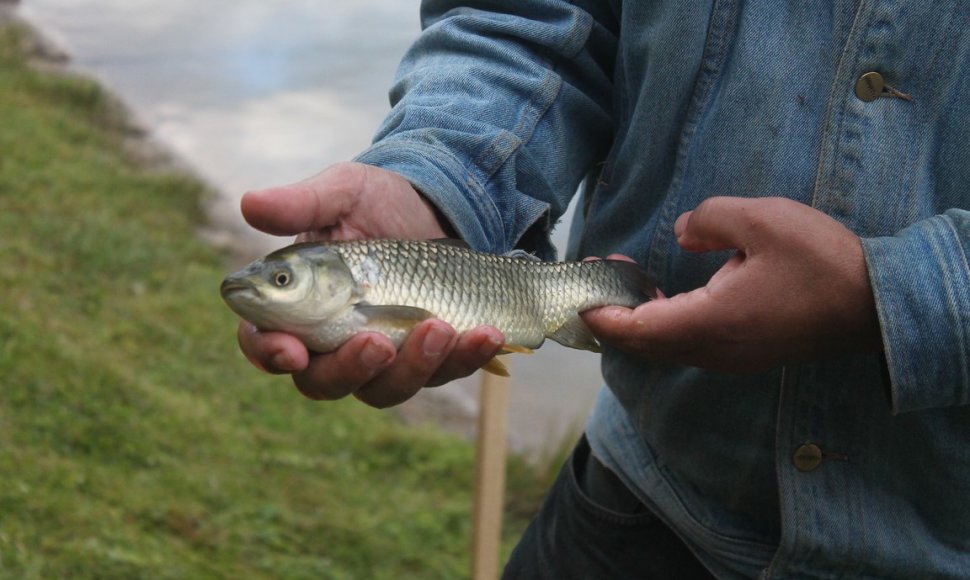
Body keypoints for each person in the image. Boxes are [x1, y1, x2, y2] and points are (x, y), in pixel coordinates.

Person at [235, 2, 970, 578]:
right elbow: (532, 17)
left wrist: (894, 296)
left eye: (281, 277)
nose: (266, 285)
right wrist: (442, 179)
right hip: (640, 494)